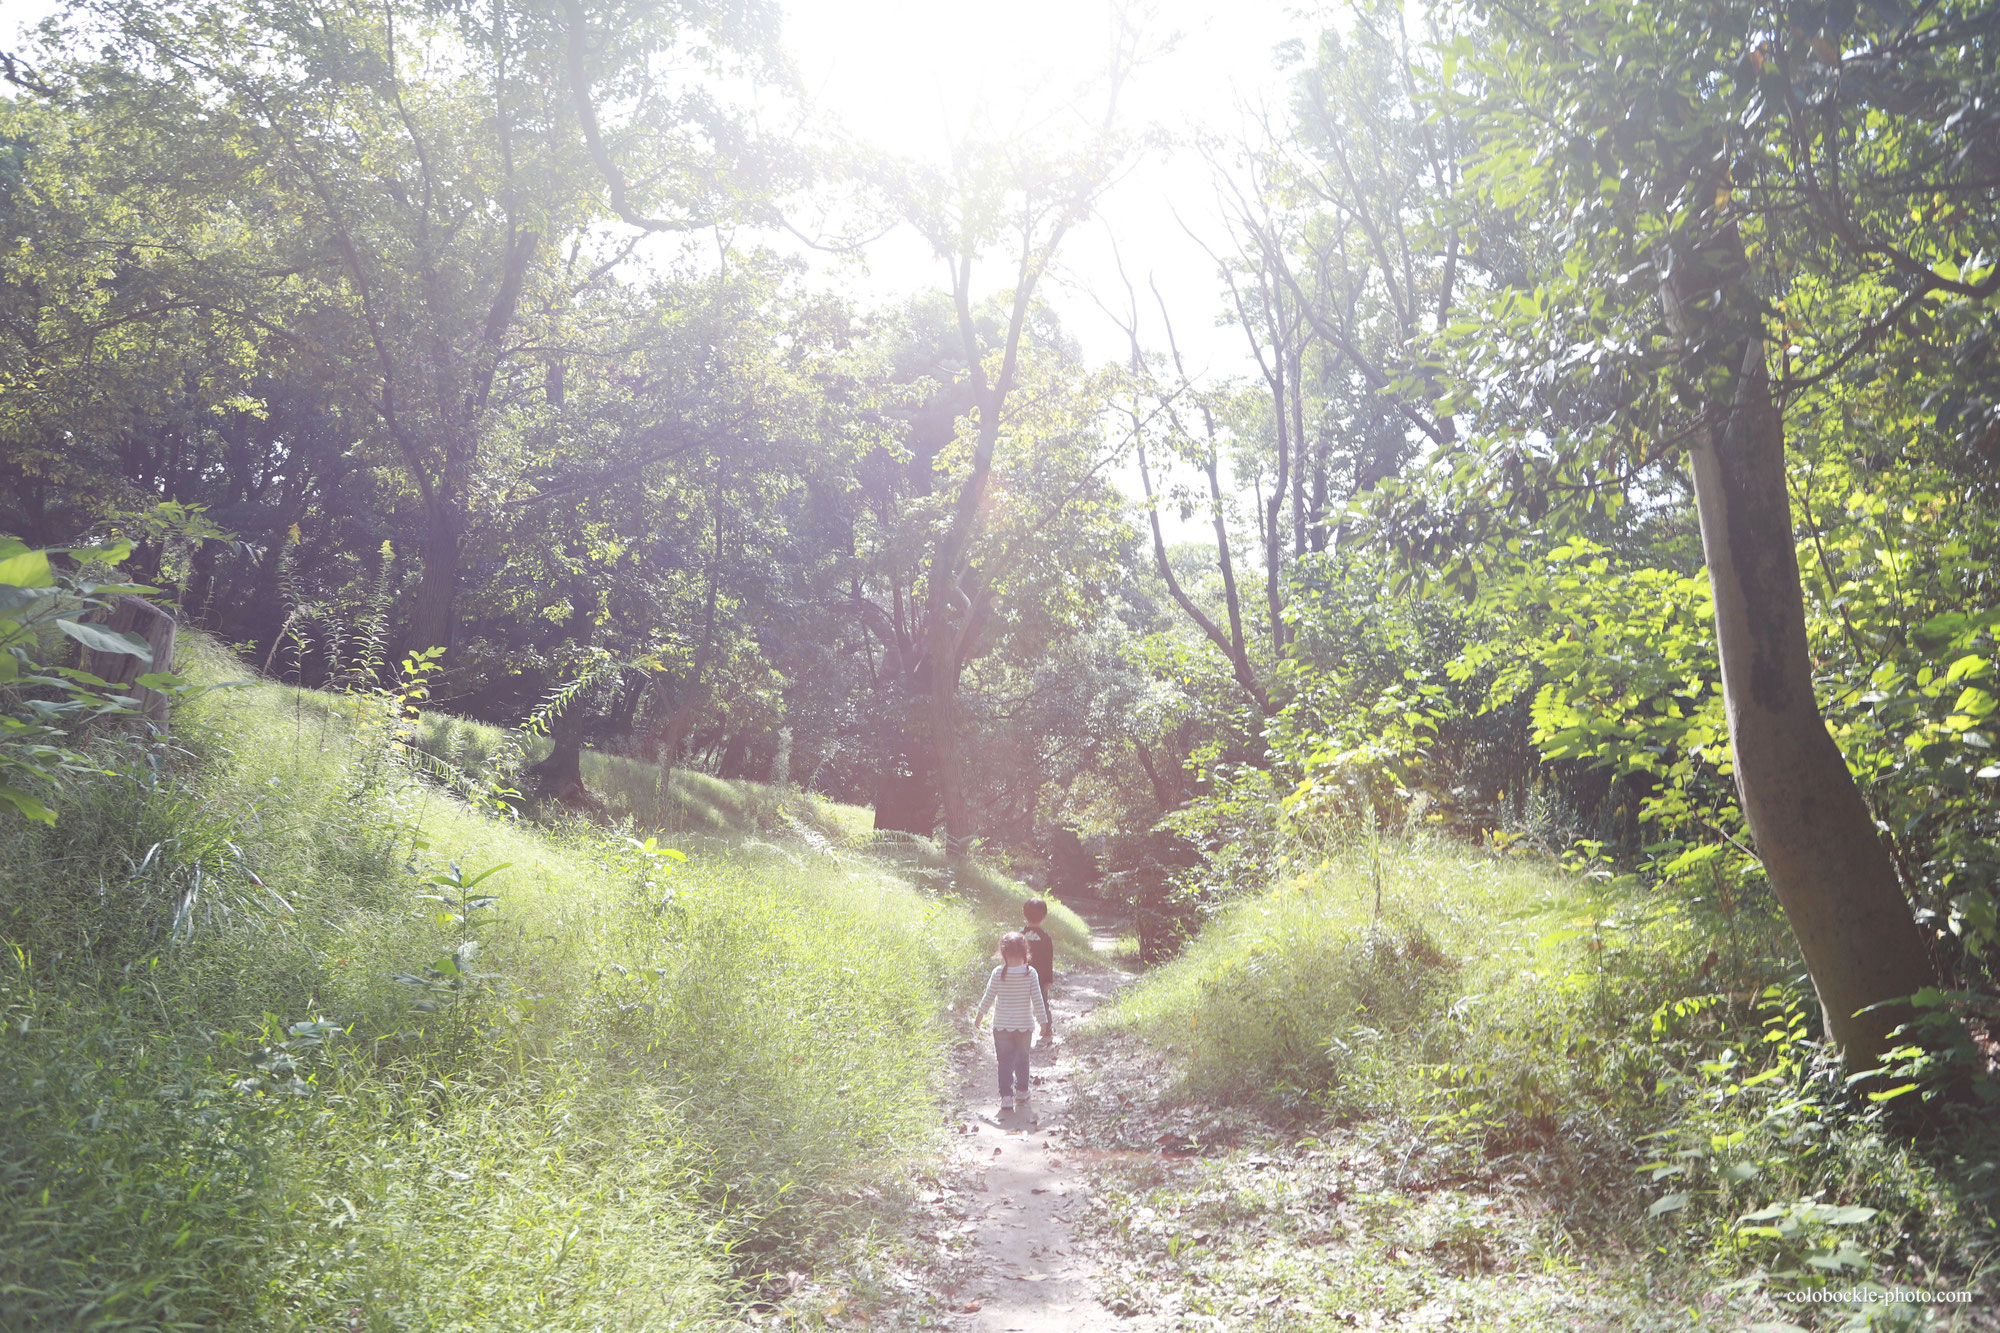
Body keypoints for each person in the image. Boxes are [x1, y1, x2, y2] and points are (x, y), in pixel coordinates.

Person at [974, 931, 1051, 1114]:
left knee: (1004, 1061)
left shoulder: (998, 973)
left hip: (1001, 1026)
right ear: (1025, 951)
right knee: (1022, 1058)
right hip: (1024, 1026)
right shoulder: (1030, 973)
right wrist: (1043, 1022)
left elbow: (988, 997)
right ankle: (1022, 1091)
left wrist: (979, 1016)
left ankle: (1006, 1097)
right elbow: (1038, 999)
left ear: (1003, 952)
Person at [1021, 899, 1056, 1035]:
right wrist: (1048, 979)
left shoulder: (1020, 935)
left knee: (1021, 1003)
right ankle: (1046, 1029)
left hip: (1021, 974)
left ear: (1024, 914)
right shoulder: (1045, 938)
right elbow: (1048, 960)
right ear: (1044, 916)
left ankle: (1020, 1029)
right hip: (1040, 977)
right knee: (1042, 1002)